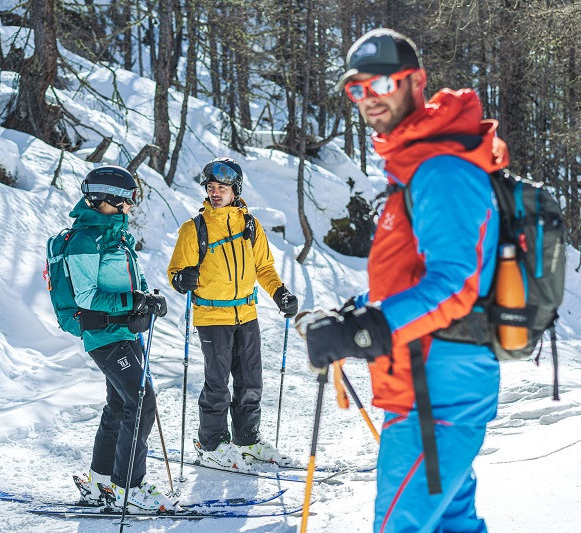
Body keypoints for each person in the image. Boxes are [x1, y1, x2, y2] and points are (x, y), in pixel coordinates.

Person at [302, 29, 510, 532]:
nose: (370, 99)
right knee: (453, 525)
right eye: (358, 89)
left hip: (435, 396)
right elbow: (413, 281)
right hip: (428, 388)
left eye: (384, 84)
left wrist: (364, 328)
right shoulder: (418, 167)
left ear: (416, 81)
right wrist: (353, 313)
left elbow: (456, 284)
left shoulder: (441, 170)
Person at [167, 157, 298, 468]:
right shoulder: (194, 228)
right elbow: (175, 272)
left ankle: (247, 440)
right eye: (211, 188)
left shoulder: (250, 225)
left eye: (222, 188)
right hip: (212, 317)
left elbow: (264, 267)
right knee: (217, 384)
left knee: (251, 382)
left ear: (235, 190)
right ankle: (211, 445)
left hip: (246, 314)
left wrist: (280, 293)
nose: (215, 193)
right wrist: (181, 279)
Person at [65, 165, 176, 511]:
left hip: (125, 332)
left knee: (120, 405)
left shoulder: (116, 235)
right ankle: (130, 487)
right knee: (142, 404)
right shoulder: (85, 240)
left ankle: (101, 482)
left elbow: (130, 282)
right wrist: (133, 302)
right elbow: (85, 296)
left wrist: (146, 297)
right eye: (127, 199)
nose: (131, 206)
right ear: (108, 198)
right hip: (104, 334)